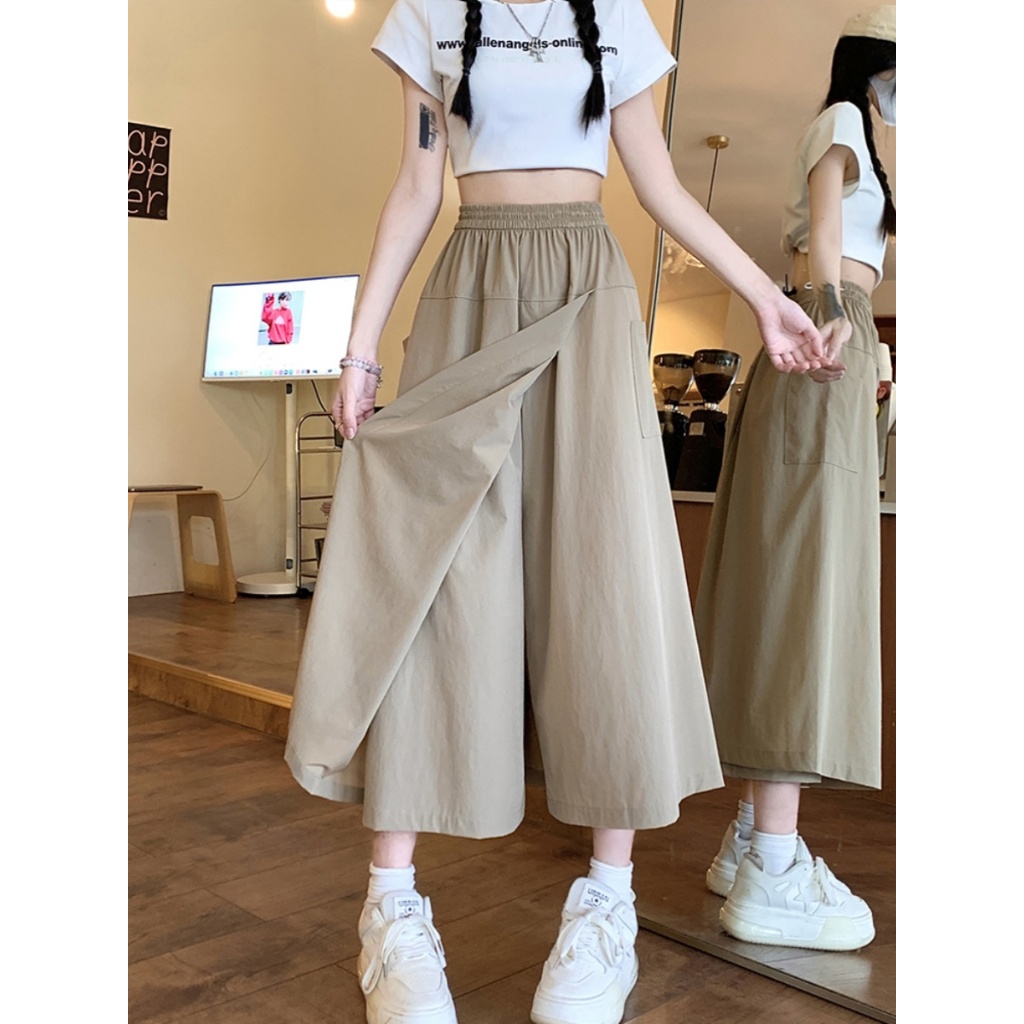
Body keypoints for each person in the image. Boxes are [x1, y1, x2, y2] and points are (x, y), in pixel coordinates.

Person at [284, 2, 827, 1022]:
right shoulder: (428, 13)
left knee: (603, 574)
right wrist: (359, 349)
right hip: (469, 290)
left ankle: (607, 903)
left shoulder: (614, 14)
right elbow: (417, 184)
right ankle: (390, 905)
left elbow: (658, 183)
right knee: (438, 575)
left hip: (588, 291)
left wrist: (762, 294)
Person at [695, 4, 895, 953]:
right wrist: (830, 318)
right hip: (825, 340)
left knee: (789, 584)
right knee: (805, 590)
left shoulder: (857, 132)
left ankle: (751, 838)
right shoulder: (846, 119)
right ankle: (773, 865)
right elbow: (824, 227)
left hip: (828, 342)